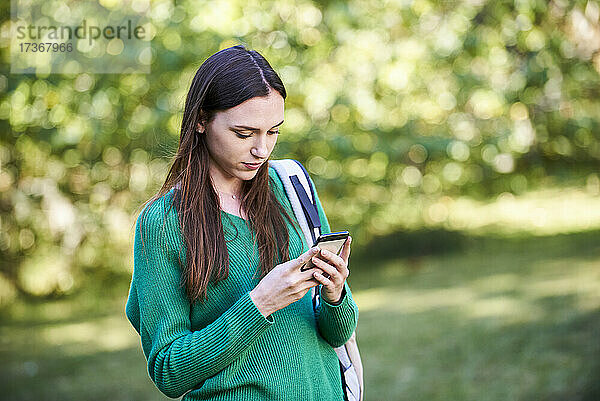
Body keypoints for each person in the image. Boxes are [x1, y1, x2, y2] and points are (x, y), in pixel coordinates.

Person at [125, 44, 359, 400]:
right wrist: (260, 302)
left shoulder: (290, 186)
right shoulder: (162, 223)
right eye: (244, 133)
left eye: (273, 132)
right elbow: (169, 371)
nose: (262, 150)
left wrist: (335, 293)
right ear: (201, 120)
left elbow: (338, 333)